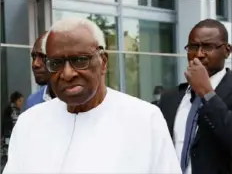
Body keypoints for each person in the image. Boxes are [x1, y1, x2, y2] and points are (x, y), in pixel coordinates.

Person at [3, 17, 181, 174]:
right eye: (56, 63)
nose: (67, 73)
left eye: (80, 60)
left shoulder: (144, 119)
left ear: (103, 62)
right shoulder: (29, 122)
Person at [159, 19, 232, 174]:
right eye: (193, 47)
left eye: (208, 47)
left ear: (227, 50)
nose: (199, 54)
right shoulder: (170, 98)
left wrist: (207, 93)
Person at [25, 32, 55, 110]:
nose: (35, 64)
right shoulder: (33, 102)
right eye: (34, 57)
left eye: (43, 56)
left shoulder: (78, 100)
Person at [1, 91, 24, 172]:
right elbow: (8, 126)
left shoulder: (15, 110)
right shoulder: (11, 111)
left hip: (11, 138)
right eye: (20, 101)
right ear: (15, 100)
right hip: (9, 139)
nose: (21, 103)